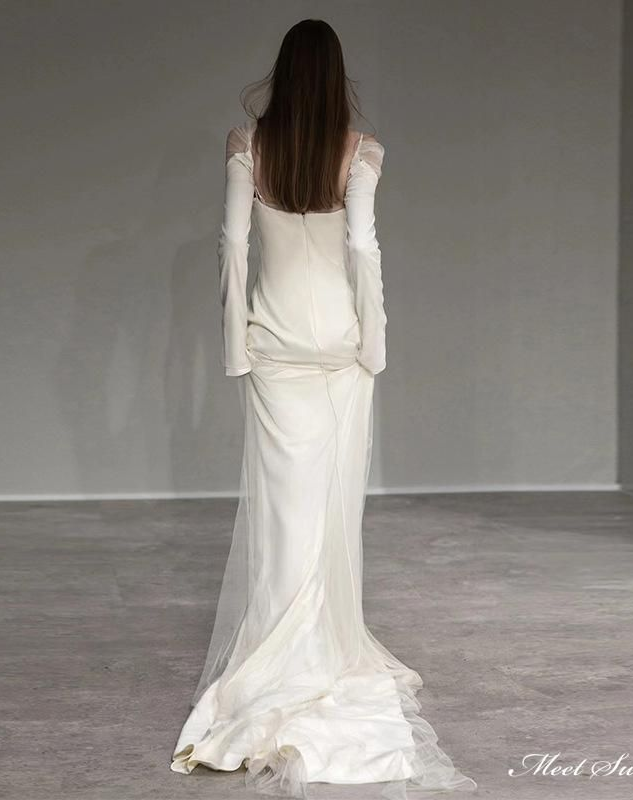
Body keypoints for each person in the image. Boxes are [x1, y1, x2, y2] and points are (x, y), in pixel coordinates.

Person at [171, 18, 477, 800]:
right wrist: (376, 341)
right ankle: (320, 646)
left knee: (285, 508)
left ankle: (282, 648)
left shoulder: (249, 146)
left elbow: (232, 243)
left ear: (283, 72)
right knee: (334, 504)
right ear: (338, 77)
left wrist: (236, 345)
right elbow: (363, 248)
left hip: (273, 343)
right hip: (340, 345)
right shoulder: (361, 151)